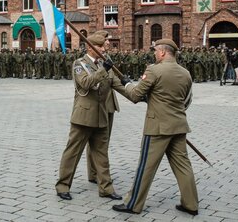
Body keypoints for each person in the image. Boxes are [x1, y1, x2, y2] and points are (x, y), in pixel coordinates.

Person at [113, 39, 198, 216]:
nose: (153, 54)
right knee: (183, 166)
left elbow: (136, 96)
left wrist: (126, 83)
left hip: (157, 127)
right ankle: (191, 204)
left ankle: (133, 204)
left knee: (146, 167)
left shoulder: (154, 69)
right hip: (179, 125)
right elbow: (186, 100)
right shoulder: (185, 73)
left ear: (162, 52)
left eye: (155, 51)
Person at [55, 32, 126, 201]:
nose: (103, 49)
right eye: (100, 46)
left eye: (104, 46)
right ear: (90, 47)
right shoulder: (79, 64)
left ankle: (106, 188)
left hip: (101, 116)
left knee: (101, 154)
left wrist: (138, 94)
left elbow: (117, 85)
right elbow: (86, 82)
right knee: (73, 152)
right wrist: (104, 69)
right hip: (84, 117)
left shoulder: (104, 64)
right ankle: (63, 185)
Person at [86, 30, 119, 184]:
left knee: (103, 140)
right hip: (100, 102)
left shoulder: (107, 57)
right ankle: (95, 173)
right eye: (105, 40)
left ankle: (98, 171)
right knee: (96, 140)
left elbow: (115, 81)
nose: (108, 42)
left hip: (109, 101)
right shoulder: (92, 60)